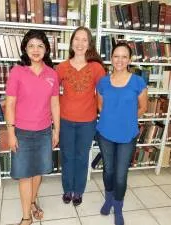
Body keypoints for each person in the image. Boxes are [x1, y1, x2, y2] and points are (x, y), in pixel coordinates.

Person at [5, 30, 60, 225]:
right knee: (24, 175)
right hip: (22, 132)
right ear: (25, 49)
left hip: (44, 131)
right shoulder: (17, 72)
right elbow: (10, 104)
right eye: (31, 46)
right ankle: (26, 217)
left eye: (40, 46)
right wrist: (11, 133)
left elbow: (55, 104)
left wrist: (56, 130)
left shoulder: (52, 74)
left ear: (46, 49)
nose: (35, 50)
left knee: (38, 172)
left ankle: (33, 201)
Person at [96, 42, 148, 225]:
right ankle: (108, 199)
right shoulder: (102, 81)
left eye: (124, 56)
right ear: (111, 59)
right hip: (105, 134)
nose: (119, 60)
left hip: (127, 135)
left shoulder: (138, 82)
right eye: (116, 56)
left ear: (129, 60)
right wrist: (113, 117)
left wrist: (126, 119)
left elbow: (143, 107)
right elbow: (100, 106)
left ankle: (118, 207)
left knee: (120, 174)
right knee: (108, 170)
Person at [56, 26, 106, 206]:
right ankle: (67, 189)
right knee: (67, 156)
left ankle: (78, 191)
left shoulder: (96, 68)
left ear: (89, 44)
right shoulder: (62, 67)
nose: (80, 43)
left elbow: (102, 94)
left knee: (82, 156)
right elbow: (52, 93)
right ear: (71, 42)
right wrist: (63, 100)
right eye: (77, 39)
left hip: (87, 121)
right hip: (66, 120)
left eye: (84, 40)